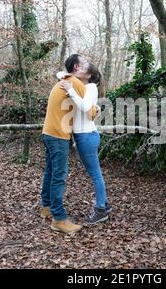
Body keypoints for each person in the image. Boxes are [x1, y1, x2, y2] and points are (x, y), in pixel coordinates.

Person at [40, 54, 93, 234]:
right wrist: (98, 108)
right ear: (77, 67)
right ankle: (59, 219)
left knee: (50, 171)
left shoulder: (64, 80)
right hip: (58, 135)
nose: (88, 65)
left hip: (48, 132)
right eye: (85, 63)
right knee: (59, 176)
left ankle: (46, 207)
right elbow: (89, 111)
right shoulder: (76, 83)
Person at [58, 63, 112, 225]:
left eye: (81, 69)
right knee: (95, 173)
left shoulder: (90, 88)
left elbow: (85, 107)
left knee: (95, 174)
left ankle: (101, 210)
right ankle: (105, 205)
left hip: (87, 137)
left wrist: (71, 91)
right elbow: (61, 73)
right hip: (84, 136)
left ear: (88, 75)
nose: (77, 70)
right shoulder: (82, 86)